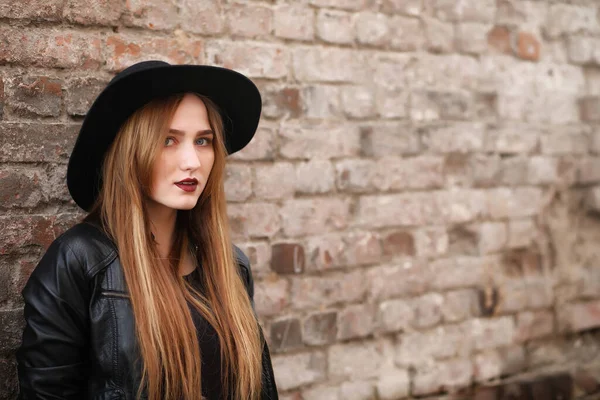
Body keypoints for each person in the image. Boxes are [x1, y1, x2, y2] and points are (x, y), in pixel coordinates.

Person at [16, 61, 279, 400]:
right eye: (169, 140)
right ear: (132, 151)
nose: (192, 162)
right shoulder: (80, 261)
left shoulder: (232, 267)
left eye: (203, 141)